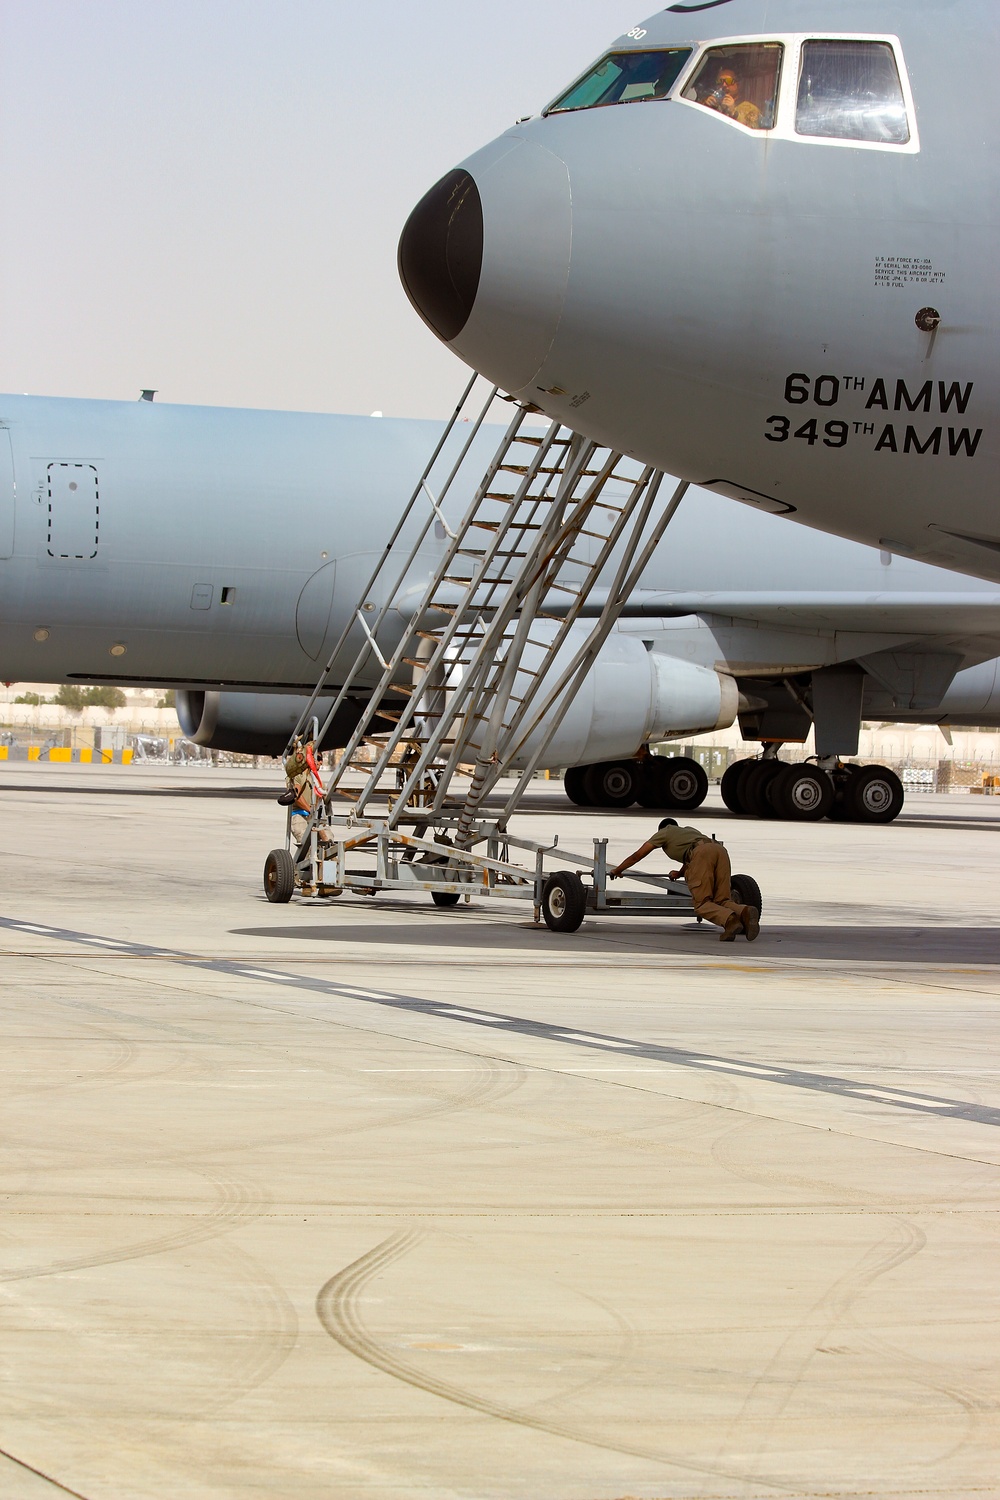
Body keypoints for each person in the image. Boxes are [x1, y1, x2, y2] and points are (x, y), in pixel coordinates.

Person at [609, 817, 760, 942]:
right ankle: (745, 911)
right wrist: (680, 873)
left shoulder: (665, 831)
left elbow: (639, 854)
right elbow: (694, 854)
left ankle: (730, 920)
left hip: (702, 854)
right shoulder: (688, 830)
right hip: (719, 851)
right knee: (722, 899)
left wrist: (618, 869)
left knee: (702, 904)